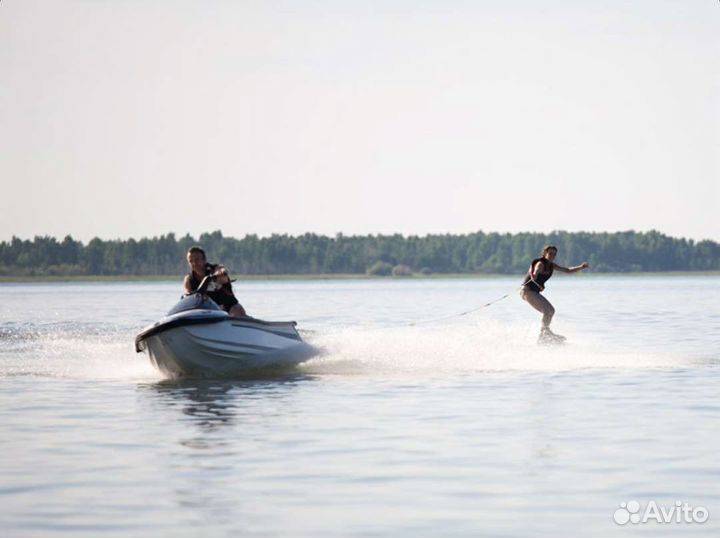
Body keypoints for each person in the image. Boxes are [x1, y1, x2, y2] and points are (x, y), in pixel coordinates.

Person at [521, 245, 589, 343]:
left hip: (532, 292)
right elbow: (534, 273)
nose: (552, 255)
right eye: (550, 253)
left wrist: (581, 267)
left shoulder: (552, 265)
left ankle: (545, 333)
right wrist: (535, 279)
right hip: (527, 291)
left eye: (554, 254)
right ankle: (544, 334)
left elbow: (567, 270)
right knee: (548, 311)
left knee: (550, 311)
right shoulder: (540, 264)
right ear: (545, 254)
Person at [183, 246, 247, 317]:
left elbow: (222, 272)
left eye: (197, 260)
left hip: (229, 308)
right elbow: (188, 297)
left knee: (237, 311)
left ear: (204, 260)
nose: (194, 263)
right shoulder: (189, 279)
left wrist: (216, 275)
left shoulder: (216, 269)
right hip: (207, 312)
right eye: (191, 261)